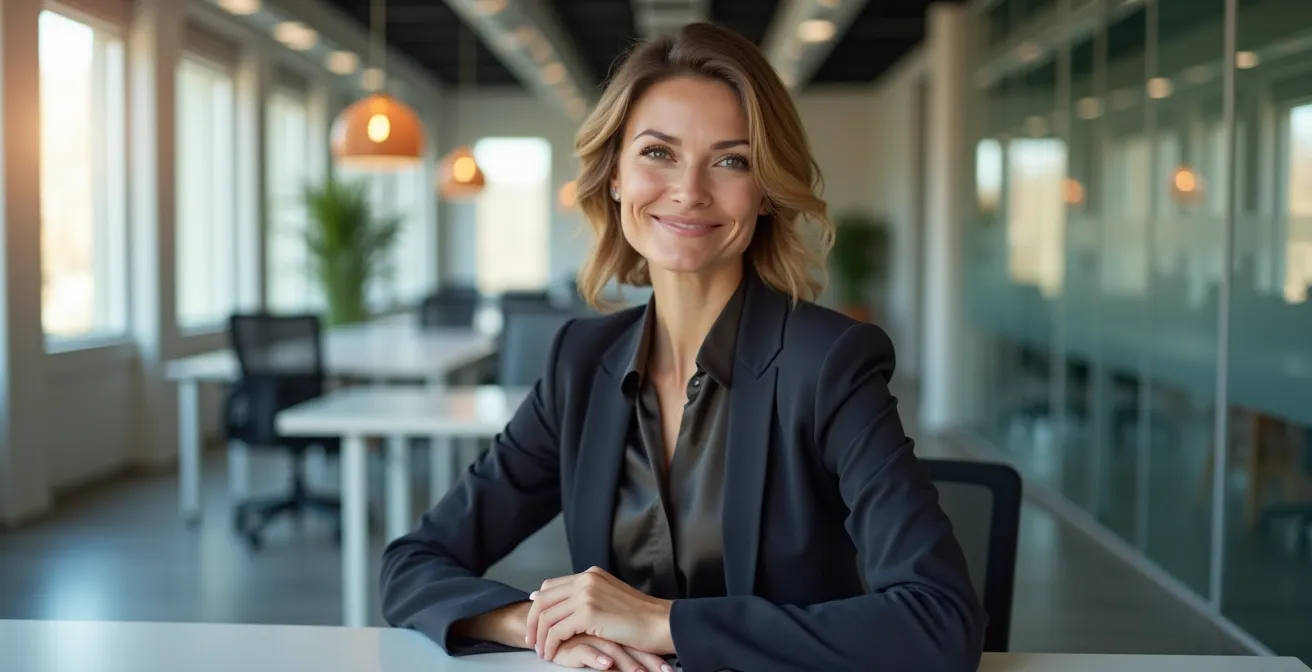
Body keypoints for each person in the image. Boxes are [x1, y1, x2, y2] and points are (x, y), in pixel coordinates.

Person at [379, 21, 986, 672]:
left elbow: (939, 621)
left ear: (764, 196)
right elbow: (412, 564)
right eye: (658, 153)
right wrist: (542, 625)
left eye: (731, 160)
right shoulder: (579, 366)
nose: (689, 191)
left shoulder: (828, 365)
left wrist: (664, 624)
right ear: (615, 176)